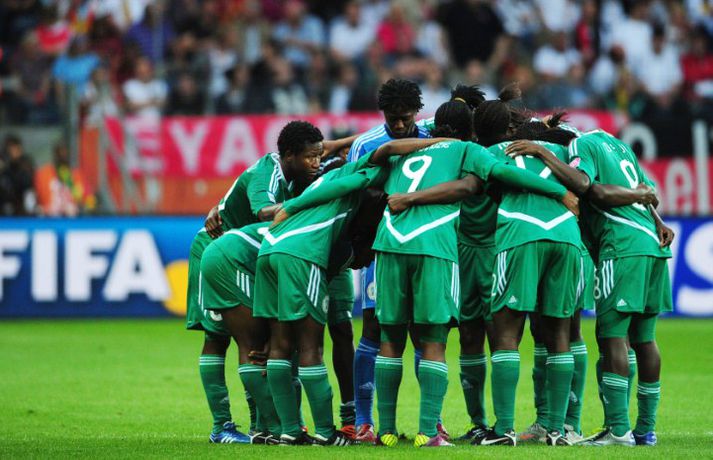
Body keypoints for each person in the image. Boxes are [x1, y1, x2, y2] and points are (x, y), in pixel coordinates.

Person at [372, 101, 578, 448]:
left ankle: (473, 424)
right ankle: (552, 424)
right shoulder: (482, 154)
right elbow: (489, 179)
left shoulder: (419, 152)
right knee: (536, 332)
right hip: (494, 245)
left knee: (459, 336)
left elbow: (380, 159)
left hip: (455, 248)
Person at [515, 128, 673, 446]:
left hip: (622, 245)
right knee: (644, 339)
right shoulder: (619, 147)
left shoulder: (580, 145)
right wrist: (657, 220)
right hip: (653, 246)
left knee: (611, 336)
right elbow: (648, 193)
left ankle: (618, 430)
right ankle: (645, 430)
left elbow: (588, 186)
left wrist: (542, 153)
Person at [185, 121, 323, 444]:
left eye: (319, 155)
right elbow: (263, 212)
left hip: (248, 258)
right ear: (289, 155)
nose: (316, 162)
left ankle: (260, 425)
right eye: (310, 157)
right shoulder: (269, 172)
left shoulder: (301, 175)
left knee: (261, 339)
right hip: (215, 252)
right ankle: (222, 427)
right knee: (218, 337)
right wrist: (308, 206)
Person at [346, 78, 431, 443]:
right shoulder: (365, 144)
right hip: (381, 250)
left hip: (426, 247)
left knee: (425, 330)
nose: (398, 124)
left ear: (417, 112)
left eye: (405, 117)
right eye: (391, 118)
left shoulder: (434, 137)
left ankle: (431, 423)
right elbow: (353, 196)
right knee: (373, 327)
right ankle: (365, 421)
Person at [34, 142, 95, 216]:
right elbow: (36, 201)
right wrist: (42, 209)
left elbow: (90, 202)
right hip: (49, 218)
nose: (62, 159)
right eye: (59, 156)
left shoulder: (76, 176)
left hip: (71, 219)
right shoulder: (43, 175)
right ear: (55, 157)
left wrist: (80, 208)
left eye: (64, 156)